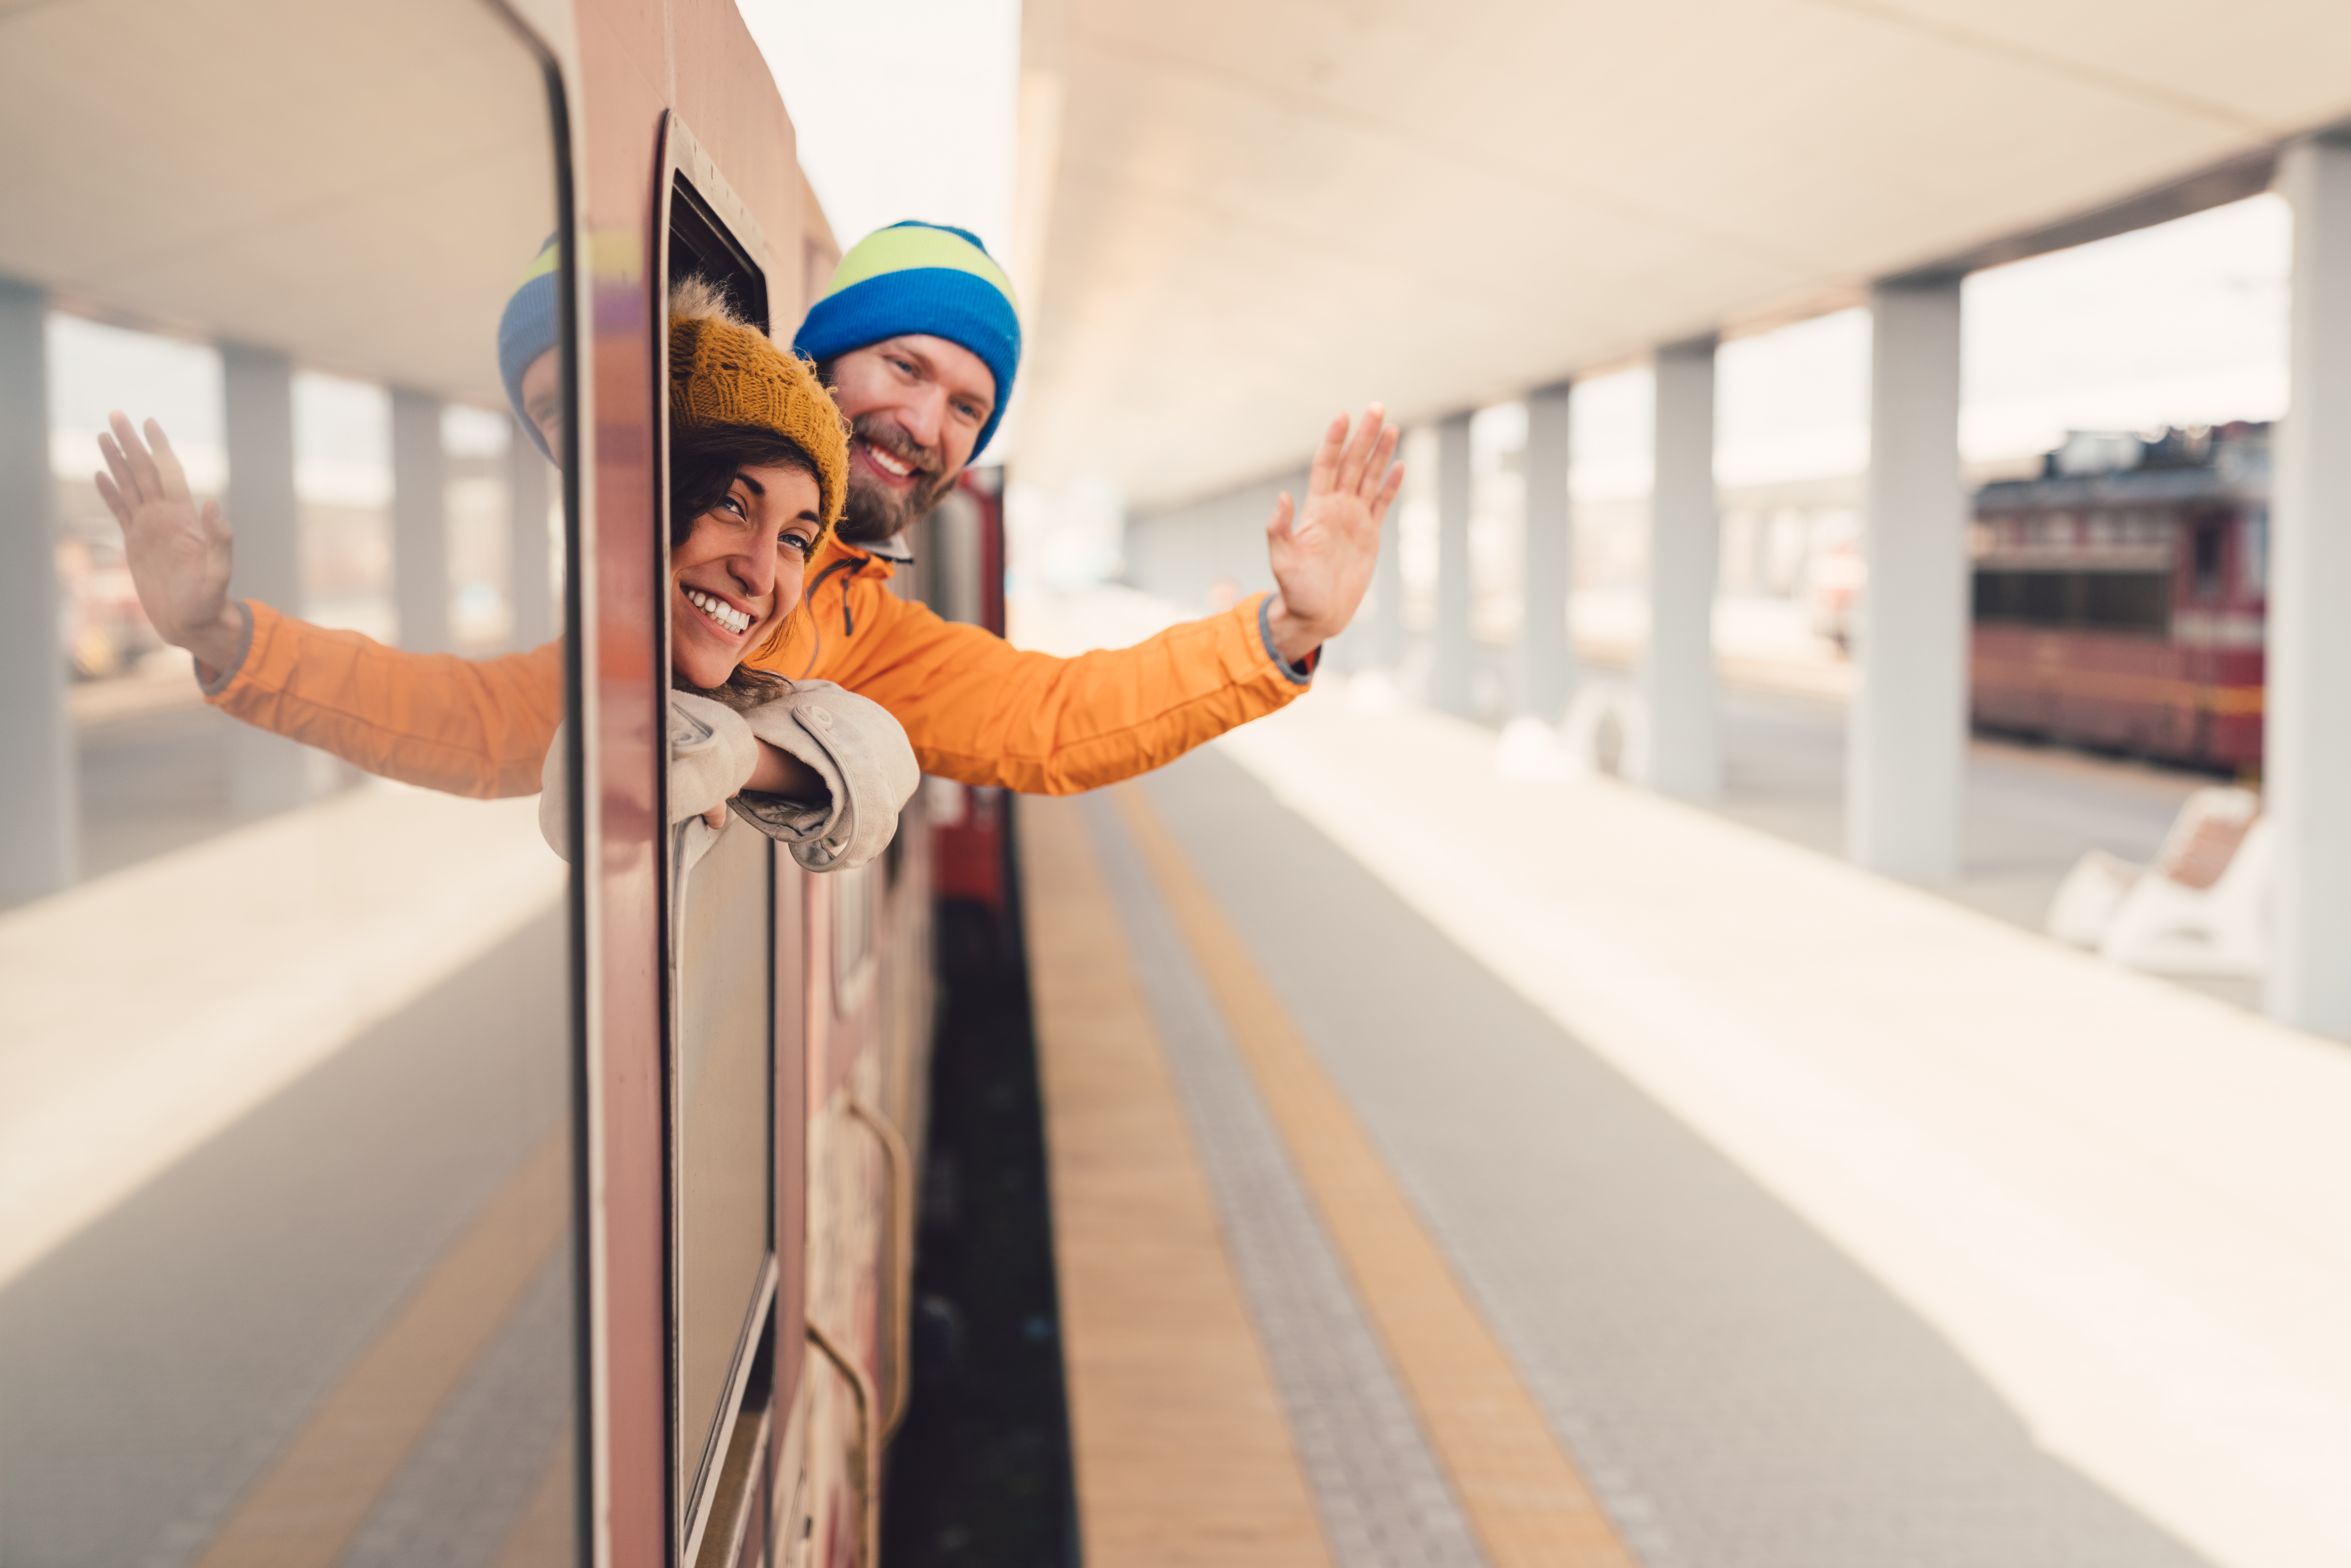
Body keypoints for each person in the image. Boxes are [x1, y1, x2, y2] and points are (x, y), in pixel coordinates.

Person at [106, 221, 1403, 801]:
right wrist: (226, 639)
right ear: (818, 363)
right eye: (902, 367)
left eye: (966, 406)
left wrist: (1276, 634)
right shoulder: (675, 525)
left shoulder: (869, 623)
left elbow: (1055, 723)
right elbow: (494, 720)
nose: (927, 421)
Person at [97, 278, 919, 873]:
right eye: (732, 507)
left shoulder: (786, 621)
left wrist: (744, 758)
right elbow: (465, 718)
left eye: (794, 537)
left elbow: (872, 753)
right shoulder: (622, 652)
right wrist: (215, 633)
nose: (757, 568)